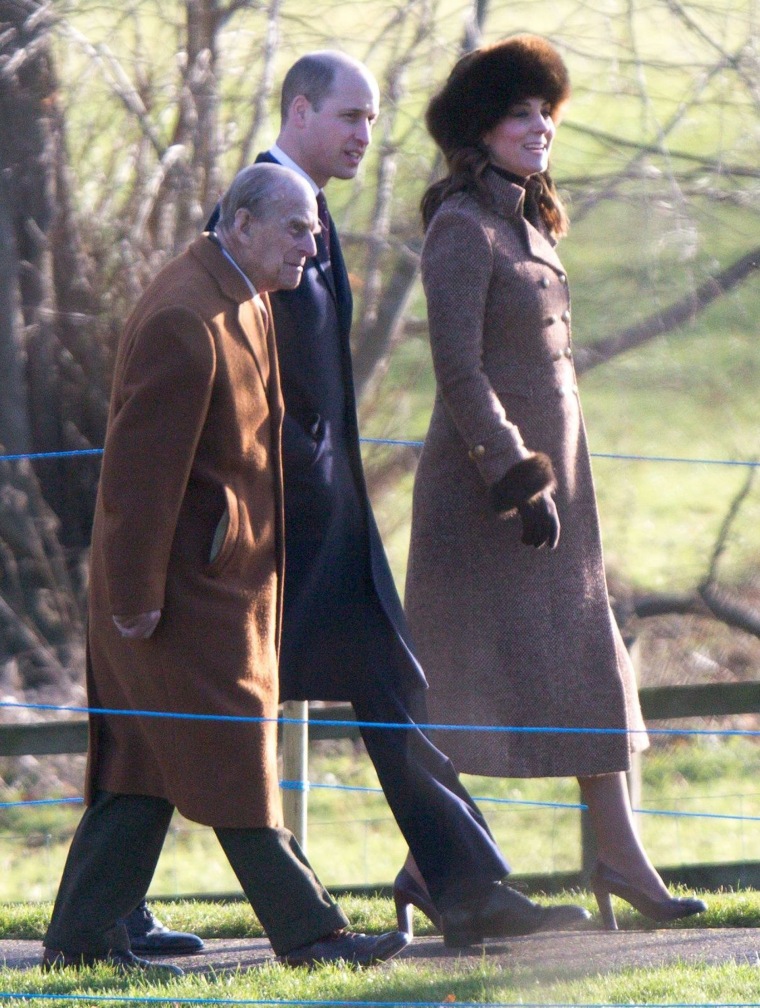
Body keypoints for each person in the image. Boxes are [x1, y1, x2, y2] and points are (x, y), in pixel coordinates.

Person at [204, 50, 589, 948]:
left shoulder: (313, 212)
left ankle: (469, 888)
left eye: (373, 120)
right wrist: (288, 472)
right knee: (207, 707)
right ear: (300, 112)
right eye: (349, 117)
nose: (365, 136)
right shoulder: (253, 213)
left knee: (395, 690)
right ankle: (98, 908)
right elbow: (227, 362)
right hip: (278, 520)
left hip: (332, 515)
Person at [41, 163, 409, 974]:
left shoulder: (241, 293)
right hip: (178, 600)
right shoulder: (184, 316)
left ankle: (76, 944)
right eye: (296, 229)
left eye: (313, 229)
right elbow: (136, 483)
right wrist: (133, 601)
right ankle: (316, 940)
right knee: (237, 761)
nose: (312, 247)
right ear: (240, 224)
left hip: (222, 589)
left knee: (142, 770)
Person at [405, 34, 707, 932]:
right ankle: (431, 867)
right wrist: (516, 476)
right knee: (463, 686)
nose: (539, 127)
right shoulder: (461, 227)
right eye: (518, 113)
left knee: (589, 664)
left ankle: (617, 857)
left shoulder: (525, 223)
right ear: (479, 130)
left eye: (547, 113)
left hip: (554, 498)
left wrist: (550, 483)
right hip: (485, 502)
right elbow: (459, 374)